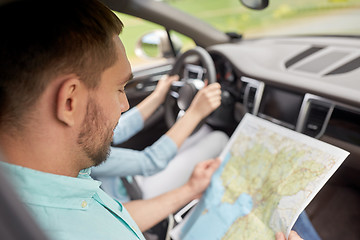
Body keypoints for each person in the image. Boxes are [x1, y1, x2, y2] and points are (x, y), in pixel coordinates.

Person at [0, 0, 303, 240]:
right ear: (70, 101)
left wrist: (189, 190)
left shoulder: (55, 184)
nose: (125, 104)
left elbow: (112, 215)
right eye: (120, 88)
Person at [91, 73, 229, 202]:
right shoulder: (83, 152)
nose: (124, 105)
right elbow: (151, 162)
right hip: (135, 195)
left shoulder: (81, 135)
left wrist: (158, 96)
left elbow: (119, 129)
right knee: (220, 139)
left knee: (204, 130)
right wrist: (195, 112)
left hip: (126, 177)